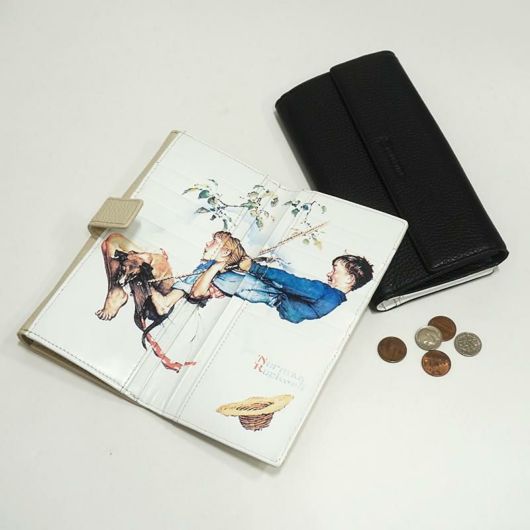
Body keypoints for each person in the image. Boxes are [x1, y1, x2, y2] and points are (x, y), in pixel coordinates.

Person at [189, 253, 374, 324]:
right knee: (218, 280)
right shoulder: (333, 301)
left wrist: (254, 268)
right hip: (267, 295)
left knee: (213, 270)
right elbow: (294, 315)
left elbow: (290, 281)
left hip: (263, 290)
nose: (329, 274)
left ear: (349, 278)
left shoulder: (325, 293)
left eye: (335, 270)